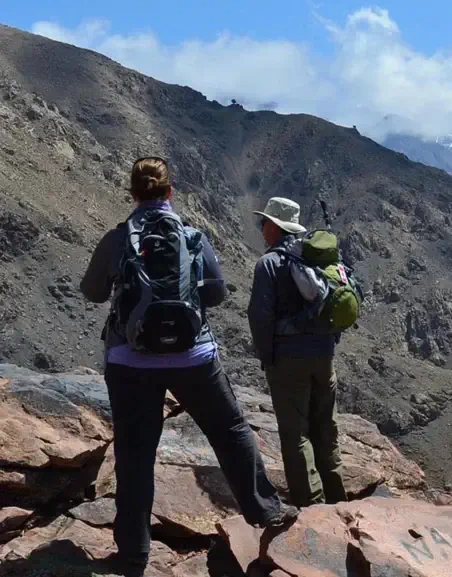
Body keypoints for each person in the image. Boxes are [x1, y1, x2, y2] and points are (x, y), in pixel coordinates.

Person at [80, 157, 298, 575]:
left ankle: (133, 553)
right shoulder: (193, 236)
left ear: (132, 193)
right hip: (193, 358)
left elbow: (92, 292)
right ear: (170, 192)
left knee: (135, 453)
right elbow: (215, 294)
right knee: (230, 430)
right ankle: (266, 510)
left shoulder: (118, 238)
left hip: (131, 362)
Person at [247, 197, 348, 507]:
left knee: (296, 434)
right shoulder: (316, 259)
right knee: (325, 427)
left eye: (264, 222)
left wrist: (268, 357)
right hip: (324, 354)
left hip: (289, 360)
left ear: (275, 227)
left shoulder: (269, 264)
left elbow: (259, 317)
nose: (261, 228)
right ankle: (338, 500)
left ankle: (312, 508)